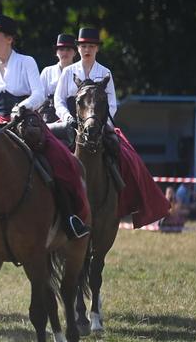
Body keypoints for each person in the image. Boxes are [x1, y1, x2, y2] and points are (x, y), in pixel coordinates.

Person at [0, 14, 90, 251]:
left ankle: (70, 218)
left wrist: (21, 107)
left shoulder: (27, 61)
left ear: (9, 39)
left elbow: (39, 94)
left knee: (60, 160)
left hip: (25, 122)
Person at [53, 27, 170, 228]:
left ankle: (125, 197)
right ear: (78, 48)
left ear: (97, 49)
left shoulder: (105, 72)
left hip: (98, 123)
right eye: (82, 46)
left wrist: (99, 124)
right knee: (52, 152)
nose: (86, 49)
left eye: (90, 46)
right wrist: (67, 118)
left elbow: (112, 104)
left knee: (124, 153)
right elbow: (58, 100)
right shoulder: (68, 72)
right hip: (72, 121)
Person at [38, 34, 77, 124]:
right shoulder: (47, 71)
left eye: (68, 49)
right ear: (56, 53)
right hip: (50, 117)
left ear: (75, 52)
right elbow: (40, 97)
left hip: (74, 117)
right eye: (61, 49)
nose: (65, 53)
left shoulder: (80, 72)